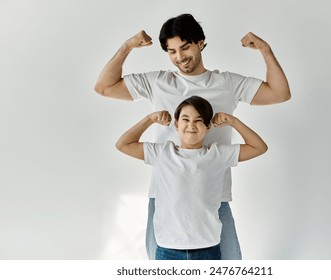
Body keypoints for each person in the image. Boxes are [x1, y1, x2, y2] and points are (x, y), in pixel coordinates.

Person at [94, 13, 290, 260]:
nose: (179, 57)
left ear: (200, 42)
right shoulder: (156, 82)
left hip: (213, 196)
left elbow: (279, 94)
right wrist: (127, 46)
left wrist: (265, 50)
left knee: (229, 266)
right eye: (171, 51)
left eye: (185, 48)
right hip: (166, 197)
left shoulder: (226, 82)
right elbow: (104, 87)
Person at [115, 96, 268, 260]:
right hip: (168, 248)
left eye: (199, 120)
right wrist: (149, 119)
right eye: (185, 119)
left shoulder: (218, 154)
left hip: (207, 248)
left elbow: (259, 147)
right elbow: (123, 144)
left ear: (208, 126)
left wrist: (234, 122)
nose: (191, 125)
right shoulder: (161, 153)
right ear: (176, 124)